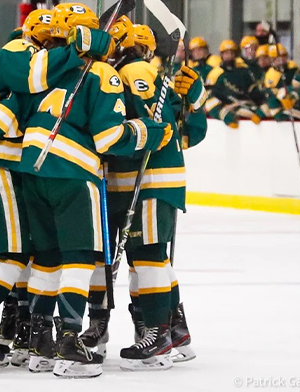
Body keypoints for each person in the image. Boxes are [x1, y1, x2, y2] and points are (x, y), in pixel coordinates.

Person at [0, 7, 104, 372]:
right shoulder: (19, 50)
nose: (51, 49)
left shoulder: (25, 59)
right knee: (14, 254)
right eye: (47, 42)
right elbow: (16, 99)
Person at [83, 20, 206, 370]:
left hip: (149, 179)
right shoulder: (144, 72)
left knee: (148, 254)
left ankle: (157, 335)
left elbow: (163, 130)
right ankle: (173, 329)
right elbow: (187, 132)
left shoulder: (134, 70)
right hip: (136, 181)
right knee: (147, 257)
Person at [205, 40, 286, 128]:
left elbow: (253, 90)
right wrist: (222, 112)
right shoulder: (214, 74)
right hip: (227, 107)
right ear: (221, 55)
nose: (229, 56)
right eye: (226, 53)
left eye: (232, 53)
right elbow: (209, 97)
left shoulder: (243, 70)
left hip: (246, 105)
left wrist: (263, 101)